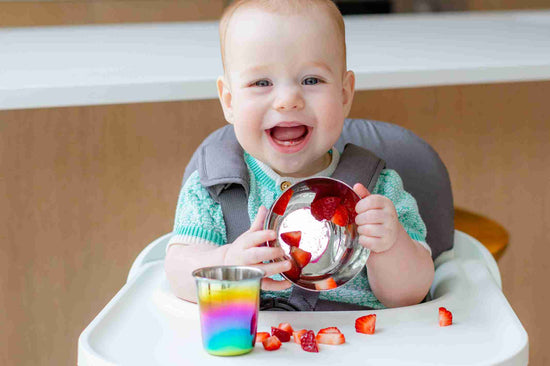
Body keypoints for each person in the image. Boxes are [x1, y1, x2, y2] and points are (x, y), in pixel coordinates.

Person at [164, 0, 434, 309]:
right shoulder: (216, 190)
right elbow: (177, 274)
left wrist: (391, 244)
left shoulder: (377, 190)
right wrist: (228, 261)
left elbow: (411, 295)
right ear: (229, 100)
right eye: (261, 82)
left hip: (357, 346)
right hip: (254, 349)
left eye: (311, 80)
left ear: (344, 95)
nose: (288, 100)